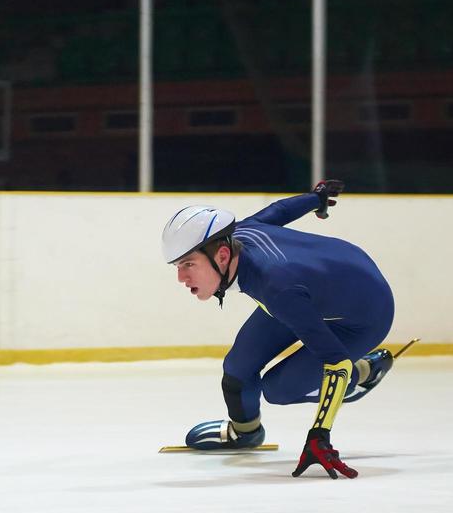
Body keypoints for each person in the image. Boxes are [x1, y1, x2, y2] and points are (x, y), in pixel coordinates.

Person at [163, 181, 397, 478]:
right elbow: (279, 211)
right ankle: (246, 432)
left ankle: (364, 371)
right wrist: (316, 199)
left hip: (362, 317)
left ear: (222, 256)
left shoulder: (277, 288)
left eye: (188, 264)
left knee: (279, 389)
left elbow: (334, 360)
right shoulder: (240, 236)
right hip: (318, 288)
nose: (181, 277)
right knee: (237, 369)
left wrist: (319, 436)